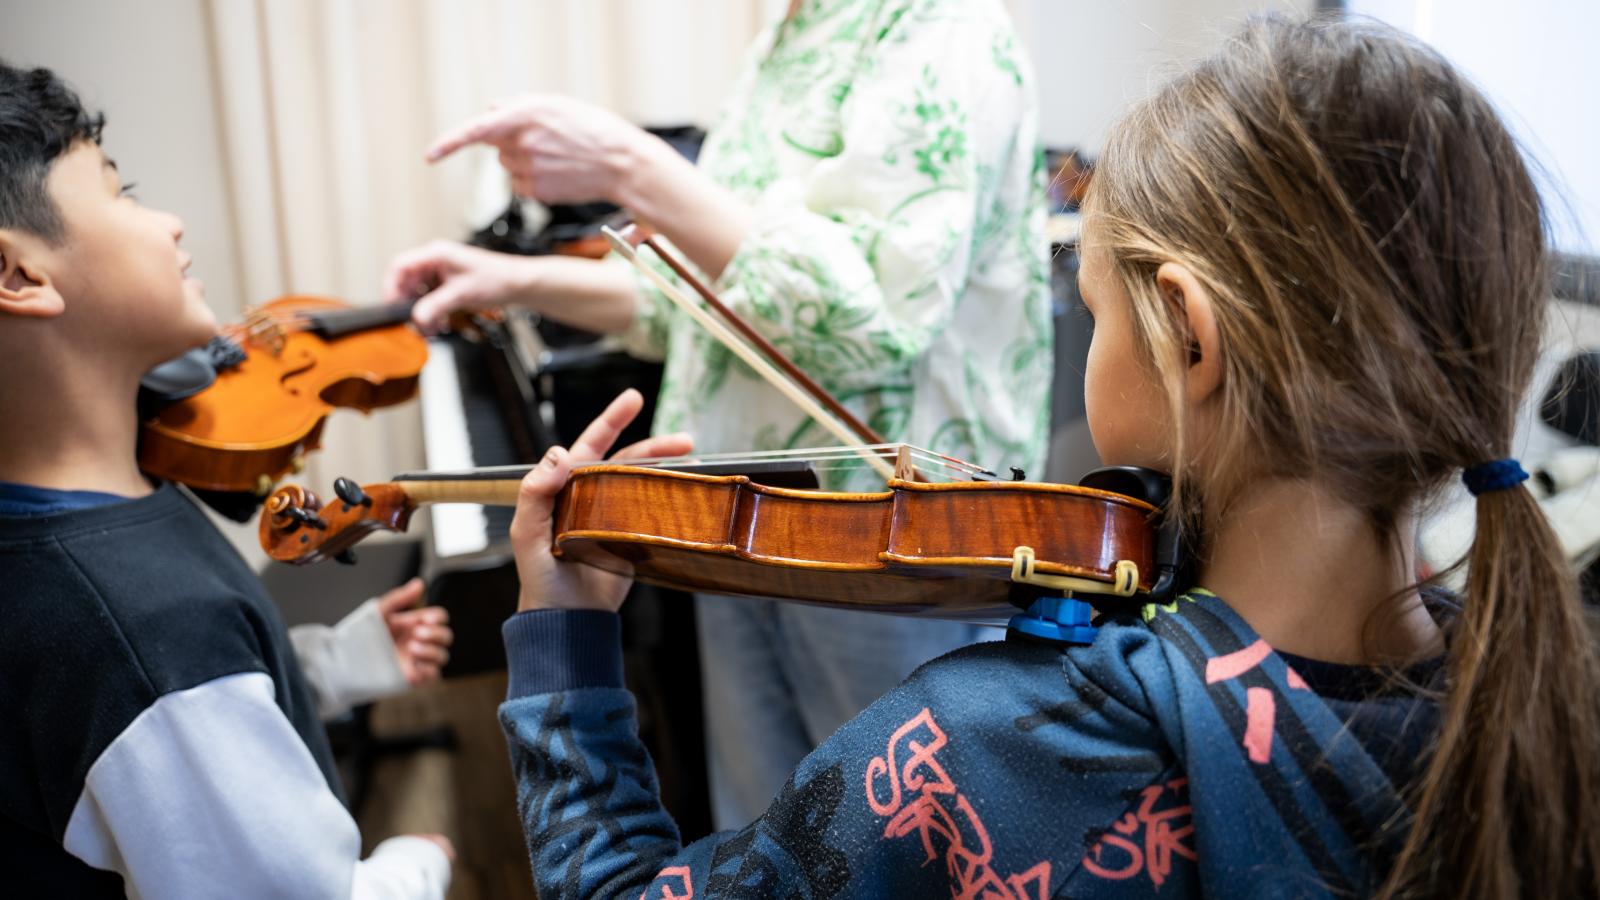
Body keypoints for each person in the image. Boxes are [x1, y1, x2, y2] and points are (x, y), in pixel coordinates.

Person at [490, 16, 1600, 898]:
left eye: (1094, 307)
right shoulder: (1535, 698)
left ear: (1189, 338)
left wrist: (565, 648)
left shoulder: (979, 752)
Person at [385, 0, 1052, 828]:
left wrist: (629, 164)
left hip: (881, 541)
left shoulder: (945, 31)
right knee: (760, 830)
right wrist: (511, 279)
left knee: (892, 844)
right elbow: (705, 312)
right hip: (736, 515)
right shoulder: (785, 37)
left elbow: (867, 322)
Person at [0, 61, 456, 897]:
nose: (169, 222)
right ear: (18, 276)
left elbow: (179, 737)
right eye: (122, 194)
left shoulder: (83, 527)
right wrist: (421, 861)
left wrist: (328, 666)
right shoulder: (145, 630)